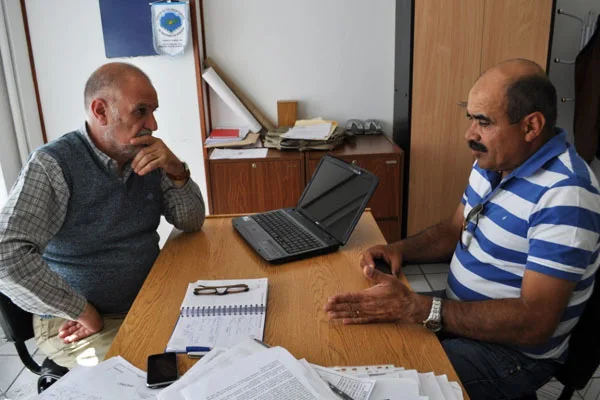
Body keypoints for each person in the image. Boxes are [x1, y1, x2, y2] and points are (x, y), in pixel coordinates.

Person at [325, 59, 600, 399]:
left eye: (484, 122)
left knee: (375, 384)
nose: (469, 134)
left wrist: (422, 308)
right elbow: (455, 228)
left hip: (513, 355)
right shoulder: (494, 162)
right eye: (470, 118)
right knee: (352, 343)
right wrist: (399, 249)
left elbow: (534, 323)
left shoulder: (566, 194)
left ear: (531, 127)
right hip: (462, 321)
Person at [0, 62, 206, 368]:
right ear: (100, 111)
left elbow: (191, 222)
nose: (153, 124)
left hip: (150, 299)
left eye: (154, 111)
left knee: (216, 353)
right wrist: (83, 311)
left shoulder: (146, 154)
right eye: (141, 111)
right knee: (159, 376)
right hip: (80, 321)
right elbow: (6, 255)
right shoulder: (53, 164)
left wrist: (177, 170)